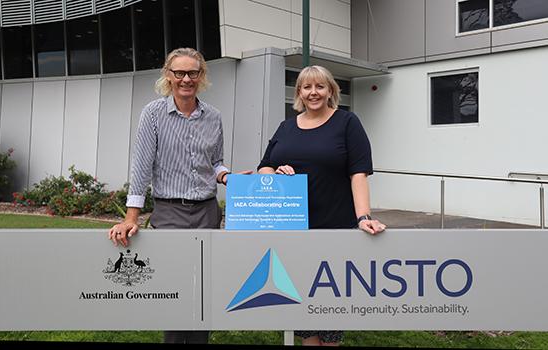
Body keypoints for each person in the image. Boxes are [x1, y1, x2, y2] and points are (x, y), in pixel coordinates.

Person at [108, 47, 244, 344]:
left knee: (203, 288)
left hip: (208, 211)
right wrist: (132, 216)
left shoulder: (213, 116)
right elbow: (142, 166)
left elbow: (215, 161)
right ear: (168, 76)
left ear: (201, 76)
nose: (186, 79)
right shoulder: (153, 114)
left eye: (192, 73)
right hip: (170, 211)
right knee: (176, 286)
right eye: (179, 73)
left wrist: (227, 176)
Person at [257, 65, 386, 346]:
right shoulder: (286, 126)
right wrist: (277, 174)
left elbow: (359, 173)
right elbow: (264, 167)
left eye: (319, 87)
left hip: (334, 229)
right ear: (299, 93)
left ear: (330, 91)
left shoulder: (347, 122)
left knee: (329, 311)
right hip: (291, 232)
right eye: (307, 87)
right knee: (302, 312)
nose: (313, 93)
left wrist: (363, 216)